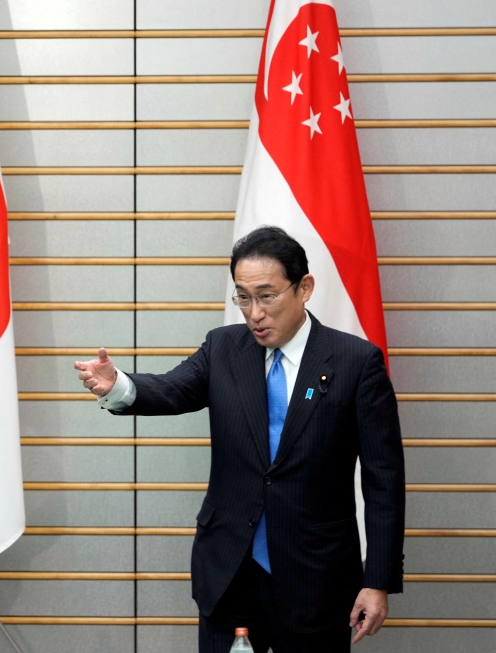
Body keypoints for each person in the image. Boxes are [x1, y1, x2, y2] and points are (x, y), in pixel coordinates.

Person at [74, 226, 404, 652]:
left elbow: (383, 481)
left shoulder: (355, 363)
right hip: (230, 572)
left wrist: (377, 580)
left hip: (315, 576)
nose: (255, 313)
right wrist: (118, 384)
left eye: (267, 296)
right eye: (243, 298)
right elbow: (173, 389)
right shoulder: (223, 348)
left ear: (304, 288)